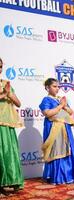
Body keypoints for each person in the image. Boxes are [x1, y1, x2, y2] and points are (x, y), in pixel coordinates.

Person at [39, 78, 74, 185]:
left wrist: (65, 106)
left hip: (65, 128)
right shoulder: (46, 100)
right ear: (47, 88)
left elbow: (71, 112)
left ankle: (68, 176)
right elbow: (47, 113)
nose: (57, 89)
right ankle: (57, 177)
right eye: (54, 86)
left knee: (67, 150)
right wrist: (61, 106)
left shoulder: (60, 99)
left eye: (58, 86)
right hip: (54, 129)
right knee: (57, 151)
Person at [0, 58, 24, 195]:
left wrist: (9, 93)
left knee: (8, 153)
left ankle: (8, 182)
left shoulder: (6, 84)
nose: (0, 69)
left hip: (7, 123)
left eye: (1, 66)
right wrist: (4, 94)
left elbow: (18, 103)